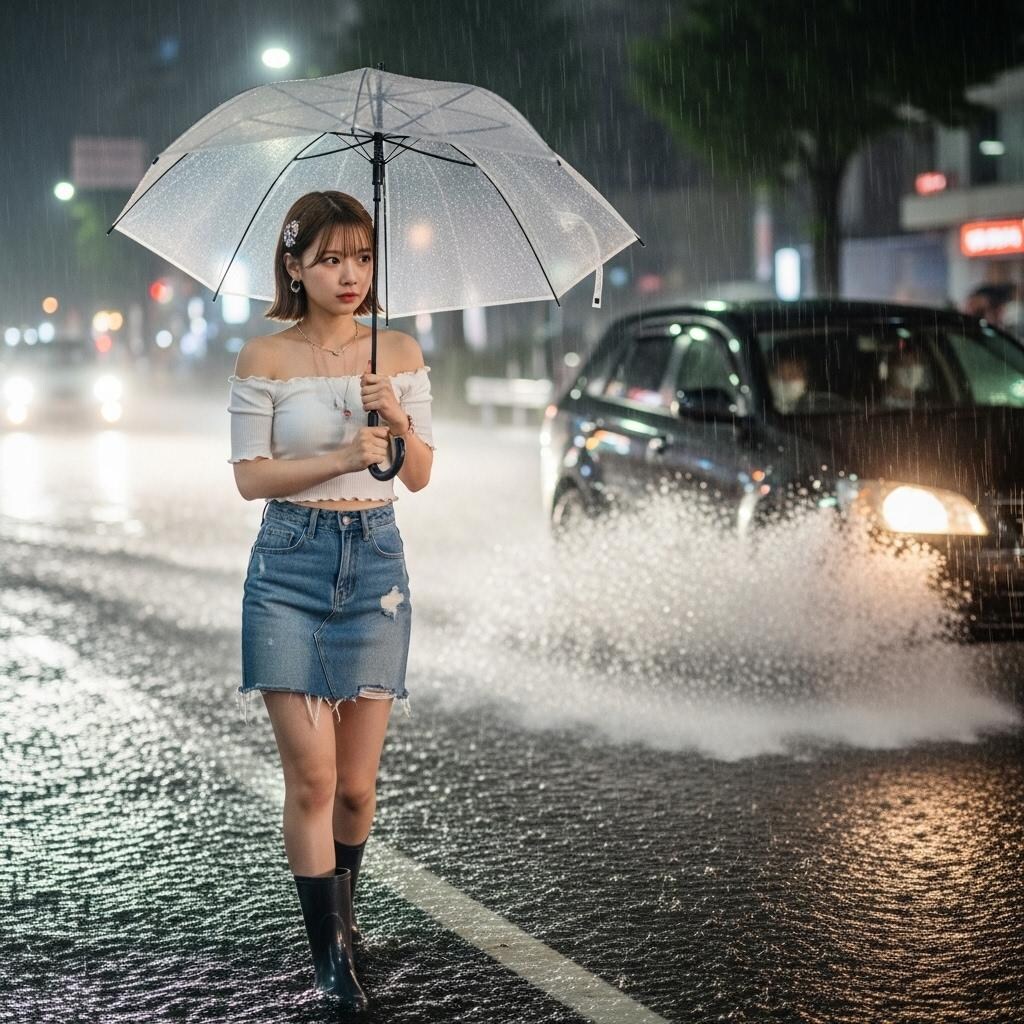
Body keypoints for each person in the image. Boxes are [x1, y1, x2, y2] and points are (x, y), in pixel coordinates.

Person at [226, 191, 436, 1009]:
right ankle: (330, 966)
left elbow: (417, 476)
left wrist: (396, 420)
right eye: (330, 259)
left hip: (376, 566)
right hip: (288, 566)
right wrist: (342, 451)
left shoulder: (400, 351)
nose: (350, 275)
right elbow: (251, 480)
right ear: (294, 266)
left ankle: (346, 916)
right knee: (311, 781)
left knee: (355, 787)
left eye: (362, 257)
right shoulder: (264, 358)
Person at [882, 344, 931, 409]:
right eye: (903, 364)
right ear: (890, 369)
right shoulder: (883, 402)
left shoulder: (927, 400)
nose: (910, 369)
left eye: (915, 365)